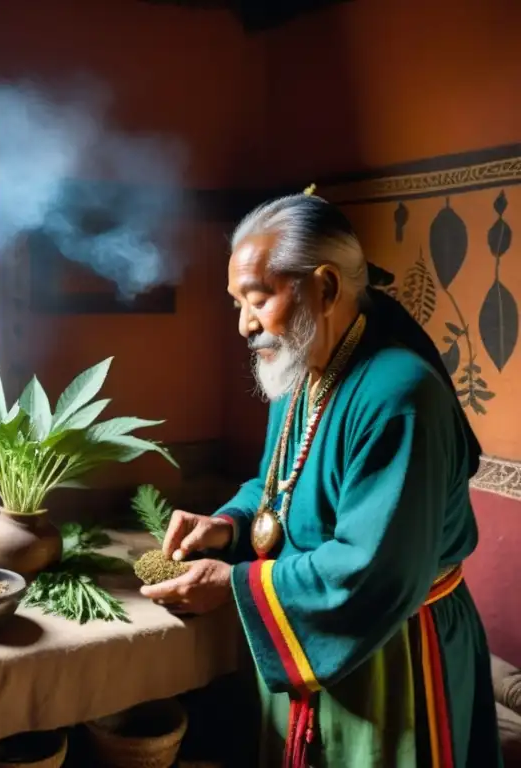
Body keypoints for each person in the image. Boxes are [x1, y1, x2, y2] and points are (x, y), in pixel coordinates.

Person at [140, 189, 502, 767]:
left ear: (326, 288)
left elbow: (370, 571)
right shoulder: (303, 366)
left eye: (257, 299)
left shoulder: (399, 397)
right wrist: (226, 526)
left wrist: (232, 584)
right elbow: (277, 484)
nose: (243, 325)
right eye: (237, 301)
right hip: (307, 621)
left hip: (391, 654)